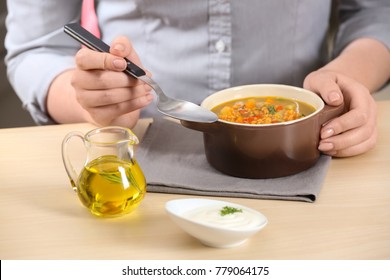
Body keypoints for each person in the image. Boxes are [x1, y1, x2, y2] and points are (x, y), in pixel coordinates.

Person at [5, 0, 390, 158]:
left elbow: (377, 13)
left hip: (305, 141)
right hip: (137, 148)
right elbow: (36, 48)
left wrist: (345, 77)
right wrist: (95, 102)